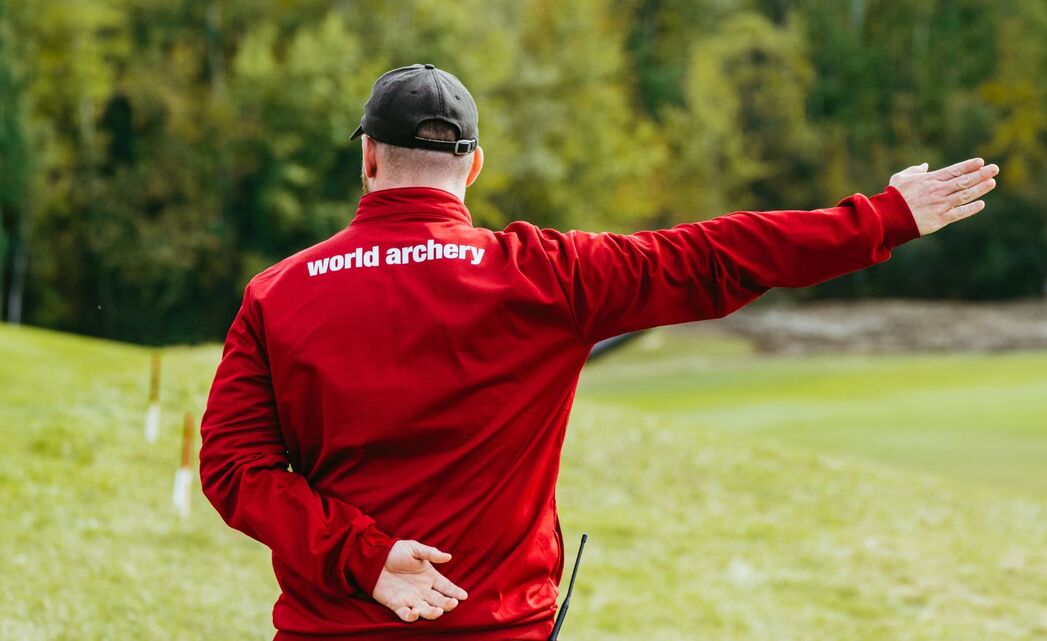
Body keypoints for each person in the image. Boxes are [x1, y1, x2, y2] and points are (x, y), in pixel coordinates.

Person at [199, 63, 999, 641]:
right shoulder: (545, 273)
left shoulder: (278, 291)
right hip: (499, 626)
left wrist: (366, 559)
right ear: (473, 166)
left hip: (331, 627)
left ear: (367, 157)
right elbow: (716, 257)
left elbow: (233, 468)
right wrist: (883, 217)